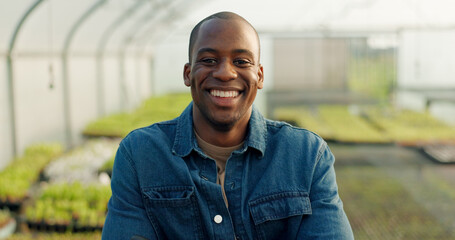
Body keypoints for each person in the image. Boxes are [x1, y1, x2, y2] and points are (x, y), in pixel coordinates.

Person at [102, 11, 353, 240]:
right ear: (188, 73)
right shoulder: (140, 155)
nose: (225, 73)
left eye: (242, 61)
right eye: (209, 60)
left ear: (260, 75)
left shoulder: (306, 156)